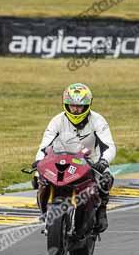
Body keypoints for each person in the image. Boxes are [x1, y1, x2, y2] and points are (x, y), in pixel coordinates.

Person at [34, 83, 116, 233]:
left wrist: (103, 162)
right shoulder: (57, 121)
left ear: (88, 105)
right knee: (39, 180)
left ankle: (101, 209)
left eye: (80, 106)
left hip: (92, 161)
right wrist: (39, 162)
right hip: (61, 159)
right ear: (66, 104)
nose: (76, 109)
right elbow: (43, 146)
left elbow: (110, 146)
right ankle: (44, 212)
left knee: (106, 179)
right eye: (72, 106)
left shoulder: (98, 120)